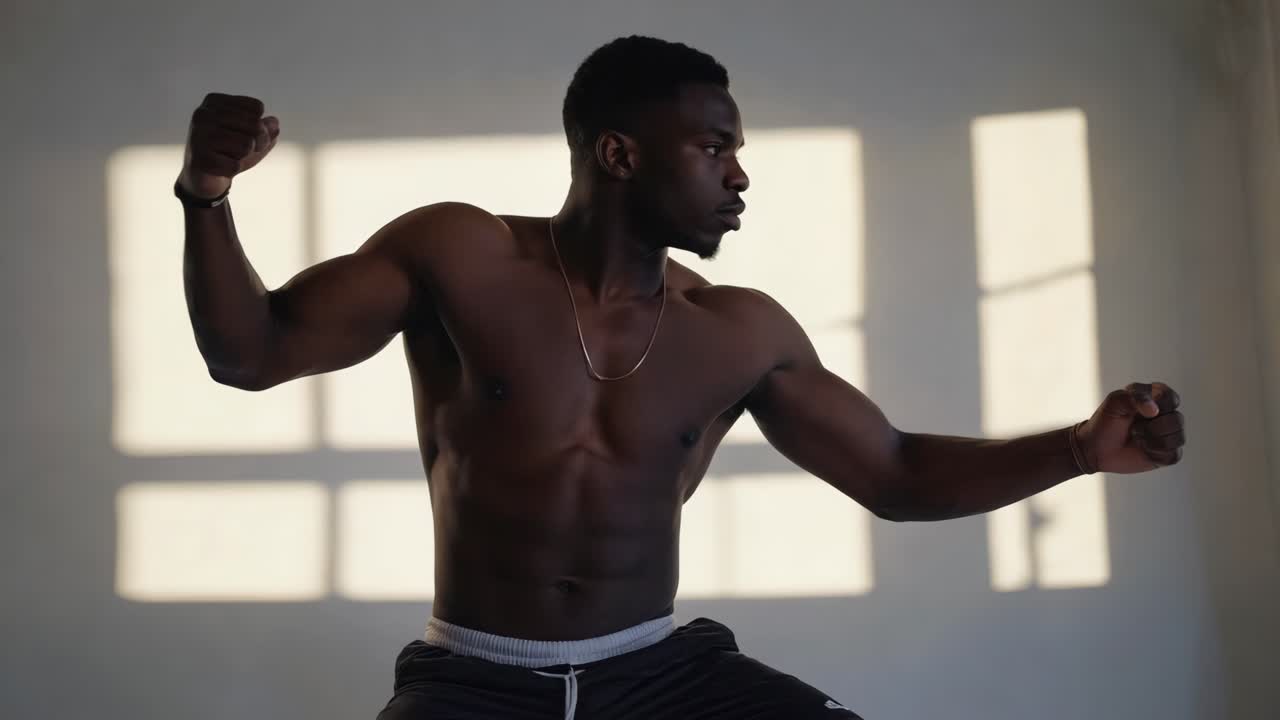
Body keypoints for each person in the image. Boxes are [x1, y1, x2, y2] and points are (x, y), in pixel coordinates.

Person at [173, 35, 1186, 720]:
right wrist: (207, 193)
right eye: (713, 148)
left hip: (661, 677)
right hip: (474, 685)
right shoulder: (460, 257)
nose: (738, 175)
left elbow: (894, 473)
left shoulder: (737, 331)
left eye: (735, 152)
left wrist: (1078, 450)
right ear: (618, 154)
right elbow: (250, 355)